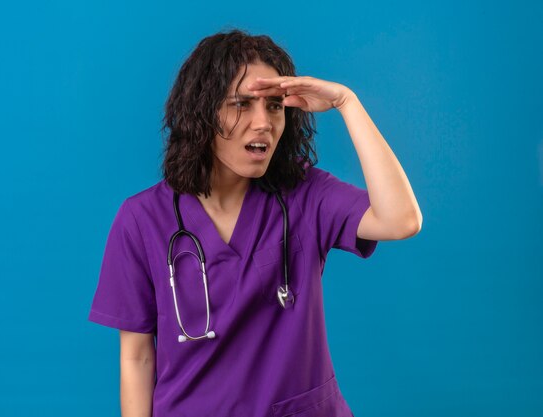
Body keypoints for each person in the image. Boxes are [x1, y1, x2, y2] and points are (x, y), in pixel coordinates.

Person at [88, 28, 422, 417]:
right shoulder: (142, 219)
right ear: (202, 113)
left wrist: (348, 103)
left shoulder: (305, 194)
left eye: (275, 106)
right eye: (241, 104)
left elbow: (401, 219)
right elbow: (137, 358)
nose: (263, 122)